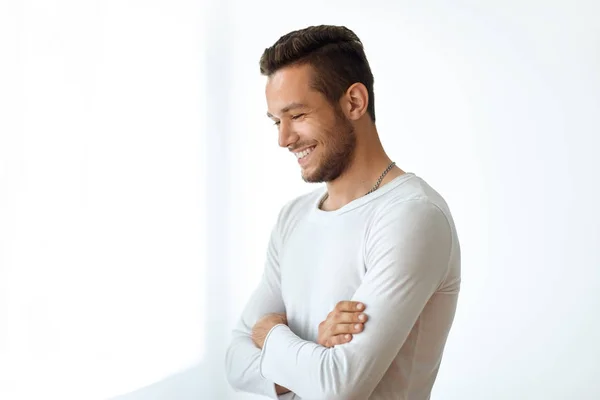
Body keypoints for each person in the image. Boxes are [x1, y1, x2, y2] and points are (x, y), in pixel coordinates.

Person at [225, 24, 461, 400]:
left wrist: (269, 335)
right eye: (276, 121)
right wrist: (314, 347)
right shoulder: (293, 218)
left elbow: (338, 386)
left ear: (353, 102)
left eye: (297, 115)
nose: (283, 139)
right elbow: (235, 362)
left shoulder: (412, 216)